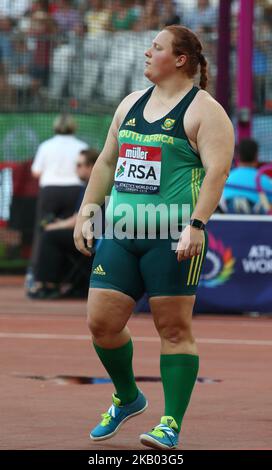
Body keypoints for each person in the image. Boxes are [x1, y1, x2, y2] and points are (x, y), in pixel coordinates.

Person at [74, 25, 234, 450]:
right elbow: (108, 161)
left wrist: (196, 226)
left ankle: (169, 423)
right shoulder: (130, 103)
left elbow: (217, 173)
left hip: (172, 236)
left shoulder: (205, 111)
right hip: (123, 234)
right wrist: (88, 211)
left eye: (156, 48)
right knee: (101, 325)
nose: (147, 53)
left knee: (174, 329)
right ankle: (128, 398)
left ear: (180, 59)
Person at [27, 113, 88, 294]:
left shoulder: (46, 145)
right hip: (74, 190)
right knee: (72, 230)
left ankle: (41, 278)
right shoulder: (81, 146)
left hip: (50, 191)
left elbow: (36, 172)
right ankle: (64, 276)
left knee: (45, 230)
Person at [29, 148, 98, 299]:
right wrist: (60, 223)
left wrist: (55, 226)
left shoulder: (95, 186)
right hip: (89, 233)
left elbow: (77, 221)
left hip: (95, 237)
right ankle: (72, 283)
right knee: (54, 234)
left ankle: (48, 284)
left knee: (50, 236)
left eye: (80, 165)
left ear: (92, 166)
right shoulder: (86, 186)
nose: (76, 168)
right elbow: (77, 217)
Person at [222, 138, 272, 214]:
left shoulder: (224, 180)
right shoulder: (266, 182)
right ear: (256, 156)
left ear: (238, 156)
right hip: (258, 224)